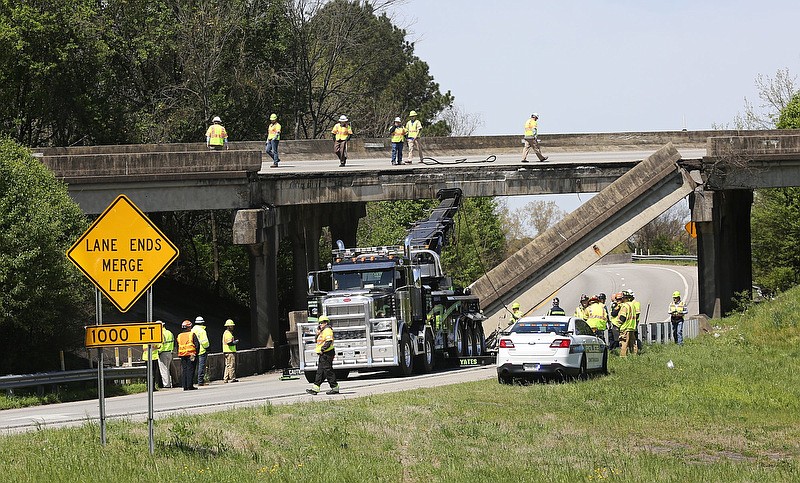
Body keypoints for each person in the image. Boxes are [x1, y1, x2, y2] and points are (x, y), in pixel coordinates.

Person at [306, 316, 340, 395]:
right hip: (323, 354)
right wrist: (317, 333)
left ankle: (335, 387)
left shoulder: (328, 330)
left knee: (328, 371)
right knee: (320, 372)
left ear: (326, 323)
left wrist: (322, 350)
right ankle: (315, 388)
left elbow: (329, 341)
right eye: (319, 323)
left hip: (327, 353)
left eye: (322, 323)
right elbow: (317, 341)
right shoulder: (322, 331)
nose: (320, 324)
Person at [176, 320, 199, 390]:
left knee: (185, 370)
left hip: (182, 355)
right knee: (191, 370)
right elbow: (197, 345)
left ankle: (185, 386)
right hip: (191, 354)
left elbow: (178, 346)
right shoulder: (192, 334)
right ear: (188, 327)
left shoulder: (179, 335)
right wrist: (196, 353)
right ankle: (190, 385)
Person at [192, 316, 211, 386]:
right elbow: (204, 342)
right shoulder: (202, 331)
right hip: (202, 351)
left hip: (193, 351)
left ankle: (192, 381)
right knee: (201, 366)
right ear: (202, 323)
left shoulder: (192, 330)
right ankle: (200, 381)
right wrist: (208, 348)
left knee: (193, 366)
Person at [619, 293, 638, 357]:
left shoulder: (625, 306)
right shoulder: (632, 305)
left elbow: (622, 317)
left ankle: (623, 357)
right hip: (631, 327)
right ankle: (634, 356)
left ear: (624, 298)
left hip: (625, 328)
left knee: (624, 344)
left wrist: (618, 324)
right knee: (632, 344)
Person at [157, 322, 174, 389]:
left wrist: (159, 351)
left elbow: (161, 345)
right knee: (167, 369)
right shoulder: (169, 332)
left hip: (163, 353)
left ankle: (166, 385)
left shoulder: (160, 333)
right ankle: (170, 383)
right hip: (169, 352)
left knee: (164, 370)